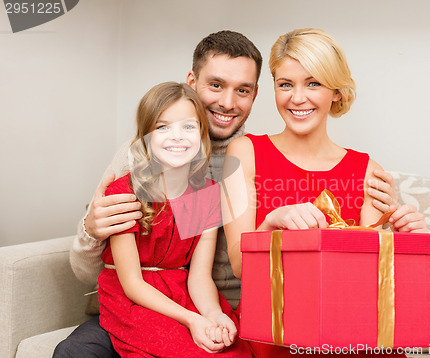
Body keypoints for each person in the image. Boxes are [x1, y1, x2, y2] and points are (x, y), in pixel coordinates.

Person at [54, 30, 400, 358]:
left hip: (210, 305)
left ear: (256, 94)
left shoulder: (234, 161)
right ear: (191, 83)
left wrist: (397, 223)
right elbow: (88, 272)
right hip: (135, 305)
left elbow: (207, 274)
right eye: (215, 85)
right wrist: (90, 229)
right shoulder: (139, 160)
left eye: (243, 90)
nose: (227, 102)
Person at [222, 28, 427, 357]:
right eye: (285, 84)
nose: (297, 97)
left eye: (313, 83)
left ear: (336, 92)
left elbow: (370, 282)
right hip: (277, 333)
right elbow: (239, 265)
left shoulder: (367, 169)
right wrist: (273, 222)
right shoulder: (244, 152)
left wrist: (412, 240)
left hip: (350, 332)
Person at [95, 81, 252, 357]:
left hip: (182, 293)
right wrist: (192, 320)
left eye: (188, 127)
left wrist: (213, 314)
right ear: (145, 136)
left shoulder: (205, 194)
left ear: (202, 134)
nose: (177, 137)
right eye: (162, 127)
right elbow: (132, 284)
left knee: (233, 348)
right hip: (134, 298)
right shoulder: (125, 191)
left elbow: (199, 276)